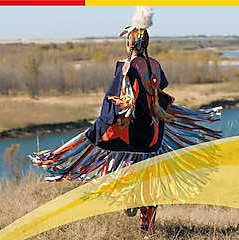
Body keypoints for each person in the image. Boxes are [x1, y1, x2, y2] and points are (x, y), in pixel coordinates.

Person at [31, 7, 221, 238]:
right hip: (153, 135)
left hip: (130, 134)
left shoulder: (126, 68)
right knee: (150, 177)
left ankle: (130, 198)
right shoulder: (156, 65)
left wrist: (100, 126)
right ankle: (146, 225)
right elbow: (158, 93)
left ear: (130, 44)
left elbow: (114, 100)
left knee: (125, 169)